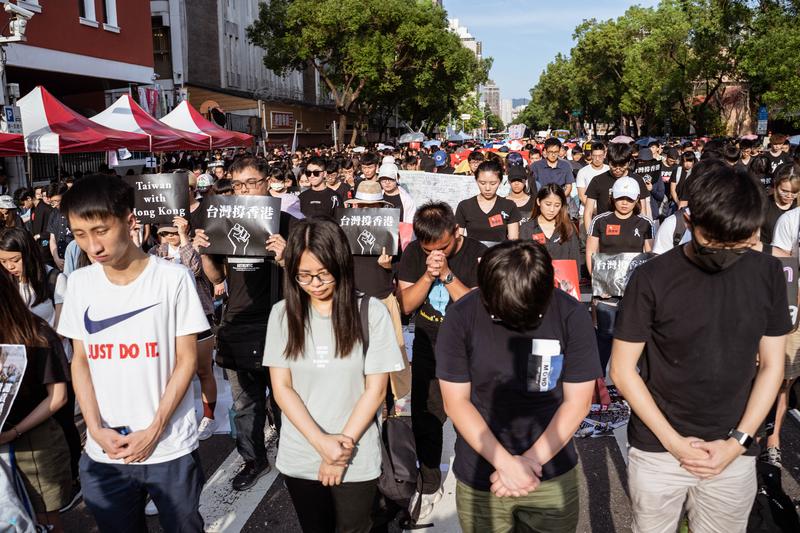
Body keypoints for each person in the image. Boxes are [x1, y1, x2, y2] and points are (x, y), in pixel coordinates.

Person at [610, 160, 790, 533]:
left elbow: (773, 365)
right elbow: (622, 370)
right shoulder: (651, 278)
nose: (725, 254)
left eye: (738, 246)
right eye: (714, 243)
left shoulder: (770, 273)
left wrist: (737, 442)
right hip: (657, 448)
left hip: (734, 449)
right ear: (690, 221)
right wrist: (674, 443)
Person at [56, 174, 209, 532]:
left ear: (129, 221)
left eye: (100, 230)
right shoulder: (79, 283)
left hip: (169, 445)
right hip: (104, 451)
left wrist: (155, 428)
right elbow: (81, 361)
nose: (92, 246)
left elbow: (187, 360)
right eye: (80, 235)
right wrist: (94, 428)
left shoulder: (173, 278)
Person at [437, 240, 600, 533]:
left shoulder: (571, 314)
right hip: (481, 474)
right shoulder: (462, 316)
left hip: (550, 470)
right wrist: (507, 465)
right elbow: (456, 402)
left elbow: (578, 401)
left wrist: (529, 463)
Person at [264, 218, 403, 533]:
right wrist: (321, 443)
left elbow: (376, 391)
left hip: (356, 456)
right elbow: (282, 388)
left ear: (341, 264)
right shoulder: (282, 315)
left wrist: (340, 449)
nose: (314, 283)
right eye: (304, 275)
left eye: (323, 274)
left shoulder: (371, 312)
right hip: (301, 455)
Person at [195, 157, 290, 491]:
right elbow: (217, 277)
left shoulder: (287, 223)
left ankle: (292, 455)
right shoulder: (223, 222)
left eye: (251, 183)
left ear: (268, 182)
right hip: (236, 325)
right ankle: (254, 460)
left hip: (279, 324)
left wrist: (286, 256)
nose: (244, 191)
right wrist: (205, 253)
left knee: (283, 397)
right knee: (244, 403)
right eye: (237, 185)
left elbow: (311, 279)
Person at [397, 202, 486, 519]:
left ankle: (474, 482)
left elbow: (477, 306)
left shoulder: (477, 252)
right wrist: (427, 275)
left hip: (468, 347)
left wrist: (446, 276)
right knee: (427, 417)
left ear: (456, 231)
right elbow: (406, 304)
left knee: (471, 416)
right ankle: (429, 484)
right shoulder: (413, 253)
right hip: (427, 344)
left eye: (444, 247)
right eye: (429, 249)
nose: (437, 253)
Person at [0, 268, 71, 532]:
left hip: (34, 444)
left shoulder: (37, 333)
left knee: (45, 522)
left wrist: (14, 432)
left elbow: (58, 397)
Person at [148, 219, 218, 440]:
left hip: (199, 314)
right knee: (171, 372)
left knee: (204, 369)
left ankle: (209, 416)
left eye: (174, 232)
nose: (170, 237)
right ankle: (177, 414)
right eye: (165, 233)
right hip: (168, 319)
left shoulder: (195, 247)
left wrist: (185, 238)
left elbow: (195, 269)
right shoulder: (155, 253)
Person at [584, 142, 651, 233]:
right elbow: (588, 212)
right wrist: (590, 235)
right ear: (609, 161)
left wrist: (642, 233)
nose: (618, 169)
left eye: (622, 166)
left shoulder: (637, 180)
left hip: (631, 232)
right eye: (614, 165)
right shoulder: (597, 181)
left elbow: (643, 211)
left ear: (628, 163)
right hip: (605, 233)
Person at [455, 160, 521, 245]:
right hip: (472, 256)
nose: (487, 188)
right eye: (482, 183)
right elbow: (458, 239)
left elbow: (513, 241)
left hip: (499, 256)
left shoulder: (509, 206)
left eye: (493, 183)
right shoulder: (465, 206)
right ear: (476, 180)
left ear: (500, 181)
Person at [520, 184, 580, 262]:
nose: (552, 209)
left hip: (564, 273)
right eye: (548, 204)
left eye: (557, 205)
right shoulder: (526, 228)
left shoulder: (568, 228)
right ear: (538, 202)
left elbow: (575, 260)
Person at [760, 163, 799, 246]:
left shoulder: (797, 206)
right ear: (776, 185)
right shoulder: (763, 205)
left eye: (794, 192)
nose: (789, 196)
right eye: (784, 191)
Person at [46, 184, 73, 272]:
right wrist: (56, 258)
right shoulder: (53, 214)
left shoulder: (75, 212)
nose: (56, 204)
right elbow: (52, 239)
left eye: (58, 201)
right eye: (53, 201)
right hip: (59, 260)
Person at [576, 142, 609, 212]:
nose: (597, 159)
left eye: (600, 156)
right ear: (591, 155)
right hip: (586, 211)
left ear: (605, 155)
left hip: (607, 212)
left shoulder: (609, 170)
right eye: (594, 156)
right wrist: (593, 209)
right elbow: (582, 196)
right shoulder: (582, 172)